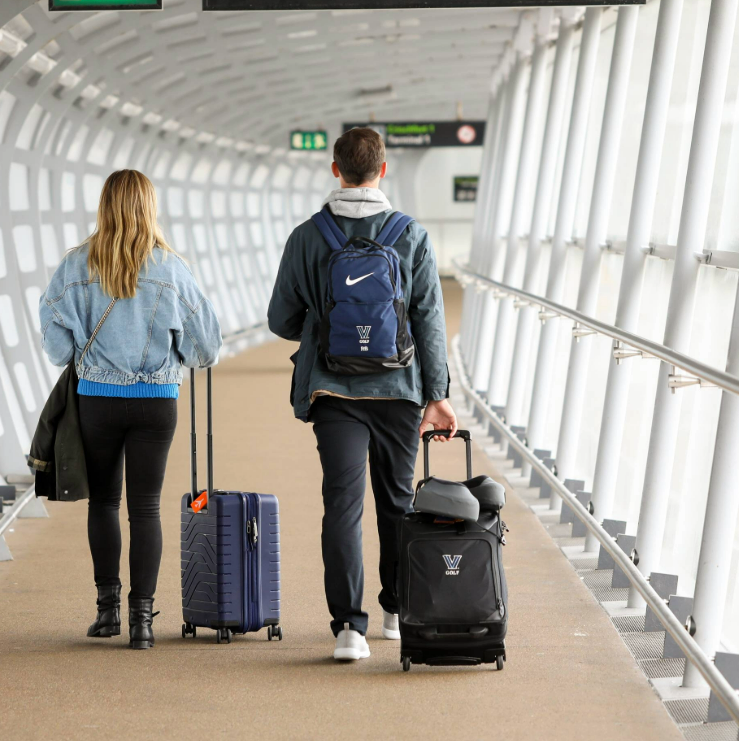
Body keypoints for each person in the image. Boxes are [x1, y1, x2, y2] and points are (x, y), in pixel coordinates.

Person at [266, 126, 457, 662]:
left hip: (334, 391)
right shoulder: (411, 234)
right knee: (397, 504)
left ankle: (349, 628)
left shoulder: (308, 235)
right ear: (382, 169)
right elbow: (429, 321)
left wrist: (324, 323)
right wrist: (437, 394)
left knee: (342, 506)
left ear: (335, 170)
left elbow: (281, 319)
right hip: (400, 391)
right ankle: (396, 611)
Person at [40, 169, 222, 649]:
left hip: (96, 401)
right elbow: (207, 349)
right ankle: (143, 622)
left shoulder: (75, 267)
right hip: (156, 404)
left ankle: (108, 612)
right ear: (149, 208)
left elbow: (57, 347)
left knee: (104, 502)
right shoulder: (172, 269)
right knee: (145, 509)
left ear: (104, 206)